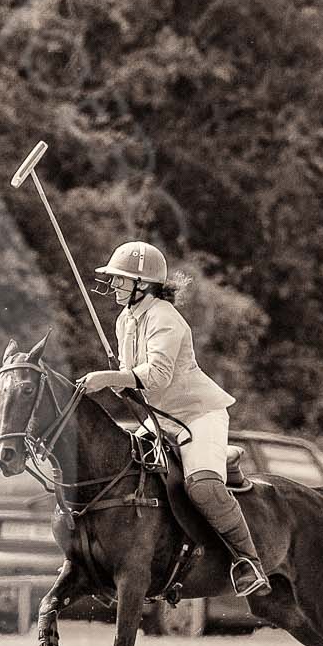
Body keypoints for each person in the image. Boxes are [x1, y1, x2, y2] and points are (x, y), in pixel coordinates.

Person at [76, 240, 269, 597]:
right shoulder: (126, 320)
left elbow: (157, 376)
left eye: (122, 279)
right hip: (161, 417)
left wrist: (109, 379)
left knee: (202, 486)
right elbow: (135, 377)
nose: (115, 285)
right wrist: (122, 380)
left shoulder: (166, 318)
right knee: (129, 470)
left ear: (143, 284)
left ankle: (247, 562)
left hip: (199, 415)